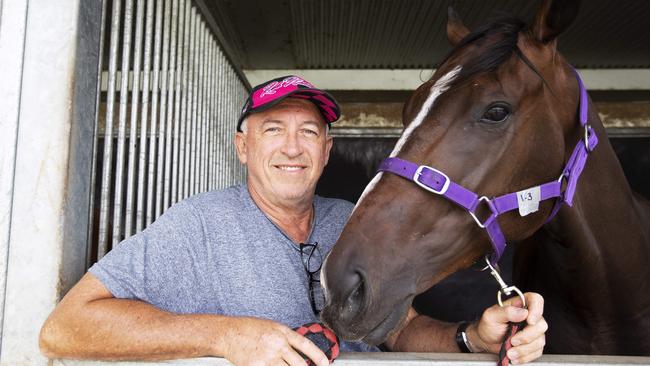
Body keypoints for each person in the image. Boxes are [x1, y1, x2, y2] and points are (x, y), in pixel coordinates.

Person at [39, 75, 548, 365]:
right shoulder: (196, 225)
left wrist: (473, 338)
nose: (292, 147)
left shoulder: (347, 223)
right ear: (242, 146)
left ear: (326, 152)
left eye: (309, 131)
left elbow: (400, 332)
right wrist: (224, 335)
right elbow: (65, 327)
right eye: (273, 129)